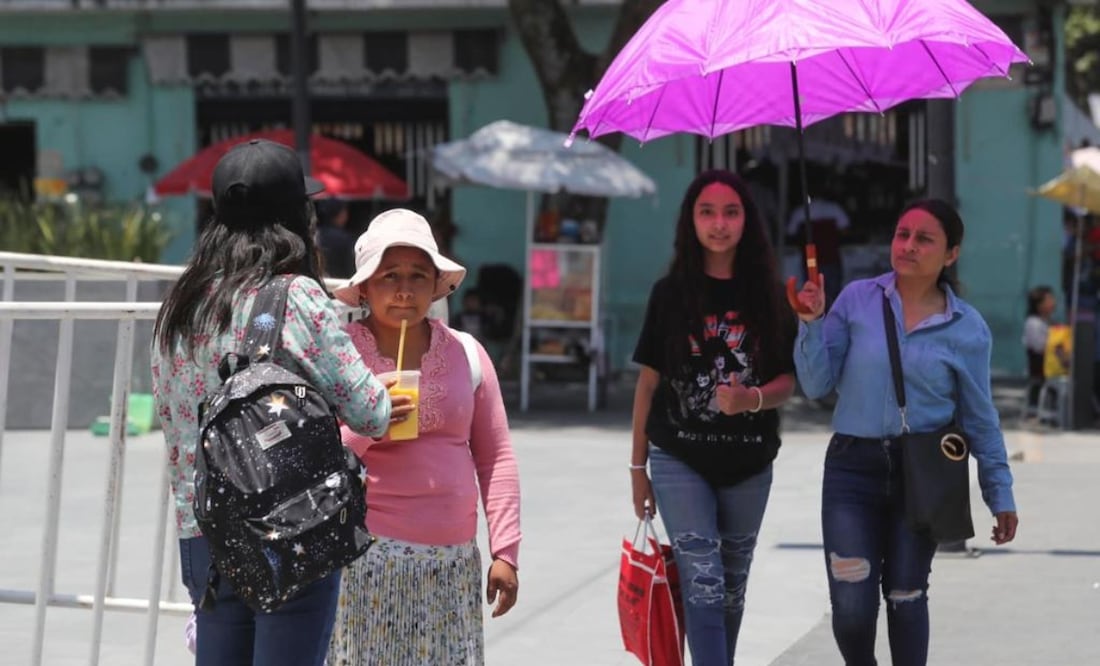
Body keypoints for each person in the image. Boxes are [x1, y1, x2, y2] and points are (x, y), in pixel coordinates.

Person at [151, 139, 394, 666]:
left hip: (204, 533)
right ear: (298, 216)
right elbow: (370, 412)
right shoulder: (294, 296)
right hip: (287, 525)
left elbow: (171, 421)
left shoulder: (182, 303)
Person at [790, 199, 1019, 666]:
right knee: (852, 606)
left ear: (950, 254)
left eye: (924, 239)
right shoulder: (856, 299)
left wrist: (1000, 492)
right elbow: (815, 385)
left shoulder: (966, 328)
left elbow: (979, 417)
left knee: (906, 595)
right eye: (902, 234)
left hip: (924, 475)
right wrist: (810, 323)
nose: (908, 246)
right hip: (853, 469)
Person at [326, 208, 522, 666]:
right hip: (366, 558)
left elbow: (496, 458)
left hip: (452, 561)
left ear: (436, 285)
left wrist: (506, 552)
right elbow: (317, 460)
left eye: (418, 276)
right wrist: (368, 426)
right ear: (366, 288)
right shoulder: (339, 353)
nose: (403, 289)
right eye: (389, 275)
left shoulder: (467, 353)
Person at [630, 169, 797, 665]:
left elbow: (788, 380)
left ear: (748, 221)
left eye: (731, 212)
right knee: (702, 581)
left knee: (730, 587)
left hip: (749, 462)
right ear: (691, 221)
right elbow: (648, 384)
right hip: (679, 457)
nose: (719, 224)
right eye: (707, 212)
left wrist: (753, 400)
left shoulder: (771, 294)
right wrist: (637, 470)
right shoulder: (670, 293)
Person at [787, 185, 851, 309]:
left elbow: (790, 233)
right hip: (830, 257)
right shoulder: (834, 209)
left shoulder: (800, 212)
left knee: (813, 295)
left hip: (811, 260)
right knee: (833, 295)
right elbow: (846, 229)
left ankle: (817, 320)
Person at [1022, 285, 1056, 419]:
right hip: (1040, 367)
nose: (1053, 303)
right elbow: (1038, 347)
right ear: (1039, 305)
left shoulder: (1049, 322)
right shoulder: (1033, 323)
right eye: (1049, 300)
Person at [316, 198, 356, 278]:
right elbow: (351, 267)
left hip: (319, 282)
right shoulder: (344, 238)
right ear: (340, 214)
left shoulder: (314, 234)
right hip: (340, 283)